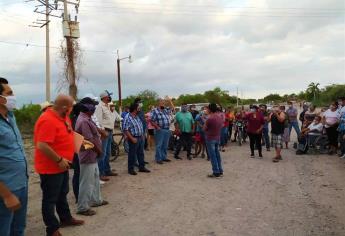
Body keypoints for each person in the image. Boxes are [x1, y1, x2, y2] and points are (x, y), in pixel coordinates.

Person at [34, 95, 84, 236]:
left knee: (62, 193)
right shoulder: (47, 120)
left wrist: (81, 143)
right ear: (64, 107)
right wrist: (58, 160)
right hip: (50, 167)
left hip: (63, 165)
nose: (72, 109)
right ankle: (52, 229)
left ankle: (65, 218)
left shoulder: (63, 117)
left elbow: (68, 134)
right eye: (71, 107)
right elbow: (42, 145)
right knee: (50, 198)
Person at [0, 77, 28, 236]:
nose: (13, 96)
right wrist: (7, 194)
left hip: (21, 183)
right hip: (6, 190)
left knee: (18, 228)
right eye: (9, 93)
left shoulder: (11, 117)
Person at [75, 97, 109, 216]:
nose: (94, 107)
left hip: (92, 156)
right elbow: (88, 142)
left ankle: (96, 200)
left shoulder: (87, 118)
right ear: (87, 107)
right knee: (86, 182)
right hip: (88, 155)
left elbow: (95, 133)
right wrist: (99, 151)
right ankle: (82, 207)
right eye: (93, 105)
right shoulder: (84, 121)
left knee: (94, 178)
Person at [94, 90, 118, 181]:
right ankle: (101, 173)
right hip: (105, 132)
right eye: (108, 96)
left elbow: (112, 117)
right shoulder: (100, 107)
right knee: (102, 153)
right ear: (104, 97)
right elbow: (99, 121)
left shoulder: (108, 106)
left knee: (107, 153)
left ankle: (107, 170)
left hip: (110, 131)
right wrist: (102, 132)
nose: (109, 97)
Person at [123, 103, 151, 175]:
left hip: (140, 138)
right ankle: (130, 169)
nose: (140, 109)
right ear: (135, 109)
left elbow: (140, 126)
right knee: (132, 154)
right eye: (138, 108)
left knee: (140, 153)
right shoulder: (127, 117)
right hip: (133, 138)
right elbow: (125, 130)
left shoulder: (137, 116)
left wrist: (142, 135)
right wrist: (132, 138)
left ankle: (141, 167)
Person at [151, 98, 174, 164]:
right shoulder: (155, 111)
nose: (163, 104)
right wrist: (157, 127)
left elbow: (173, 108)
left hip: (167, 129)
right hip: (160, 130)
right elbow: (152, 120)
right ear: (158, 103)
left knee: (165, 145)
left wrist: (170, 101)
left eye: (164, 103)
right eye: (161, 102)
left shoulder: (165, 110)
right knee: (159, 145)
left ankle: (164, 157)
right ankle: (158, 158)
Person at [203, 103, 224, 178]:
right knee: (217, 154)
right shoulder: (219, 117)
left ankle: (216, 172)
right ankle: (220, 170)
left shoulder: (210, 118)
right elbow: (221, 126)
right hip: (217, 137)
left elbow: (204, 128)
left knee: (213, 156)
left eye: (207, 108)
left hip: (210, 138)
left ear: (210, 109)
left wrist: (204, 121)